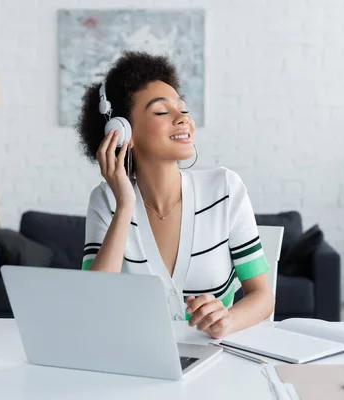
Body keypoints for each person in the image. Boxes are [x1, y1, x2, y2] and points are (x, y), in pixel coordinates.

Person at [76, 51, 274, 339]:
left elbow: (263, 297)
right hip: (133, 363)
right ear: (121, 132)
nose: (182, 118)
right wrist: (125, 205)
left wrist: (227, 320)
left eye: (182, 108)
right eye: (161, 111)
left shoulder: (225, 190)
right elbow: (91, 304)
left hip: (215, 364)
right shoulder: (106, 202)